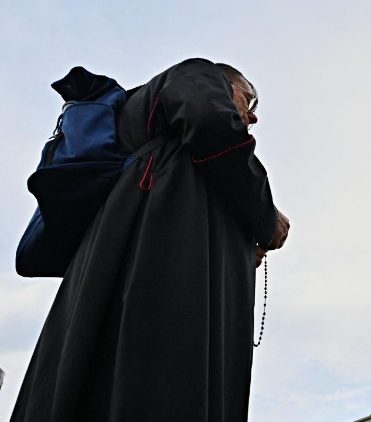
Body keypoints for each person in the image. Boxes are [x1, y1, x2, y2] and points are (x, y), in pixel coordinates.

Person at [11, 58, 289, 421]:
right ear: (224, 83)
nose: (252, 119)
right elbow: (210, 124)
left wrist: (235, 240)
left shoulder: (154, 159)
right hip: (160, 254)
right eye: (249, 102)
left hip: (129, 254)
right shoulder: (197, 72)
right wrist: (266, 219)